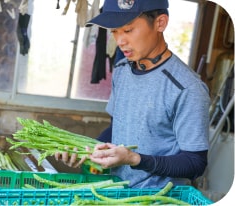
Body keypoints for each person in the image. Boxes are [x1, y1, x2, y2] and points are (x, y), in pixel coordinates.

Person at [55, 0, 210, 189]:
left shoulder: (187, 87)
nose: (120, 41)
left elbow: (195, 163)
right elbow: (118, 129)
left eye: (128, 30)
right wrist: (85, 151)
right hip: (116, 192)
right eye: (114, 31)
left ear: (160, 23)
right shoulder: (122, 70)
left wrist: (135, 159)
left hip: (158, 199)